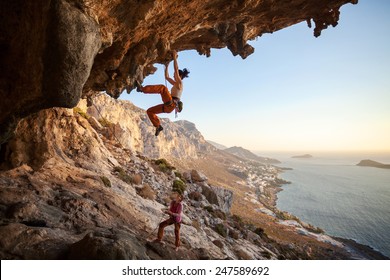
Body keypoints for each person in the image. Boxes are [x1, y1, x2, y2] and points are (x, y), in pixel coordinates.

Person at [135, 50, 189, 136]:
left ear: (180, 76)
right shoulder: (175, 84)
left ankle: (142, 89)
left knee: (162, 88)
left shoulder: (180, 83)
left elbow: (176, 68)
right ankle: (158, 126)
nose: (174, 75)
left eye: (175, 75)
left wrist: (174, 57)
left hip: (171, 104)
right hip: (168, 107)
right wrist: (166, 66)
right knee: (150, 111)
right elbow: (167, 77)